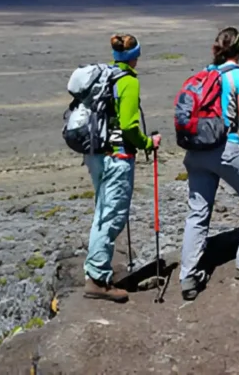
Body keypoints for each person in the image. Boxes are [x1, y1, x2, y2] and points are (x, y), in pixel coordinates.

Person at [180, 27, 239, 301]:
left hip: (196, 151)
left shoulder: (204, 74)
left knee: (198, 212)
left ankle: (188, 276)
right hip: (225, 148)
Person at [84, 33, 161, 303]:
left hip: (96, 155)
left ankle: (95, 272)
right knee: (112, 216)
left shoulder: (105, 77)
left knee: (102, 212)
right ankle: (97, 280)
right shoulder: (127, 82)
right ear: (134, 57)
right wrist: (147, 142)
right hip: (117, 157)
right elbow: (129, 126)